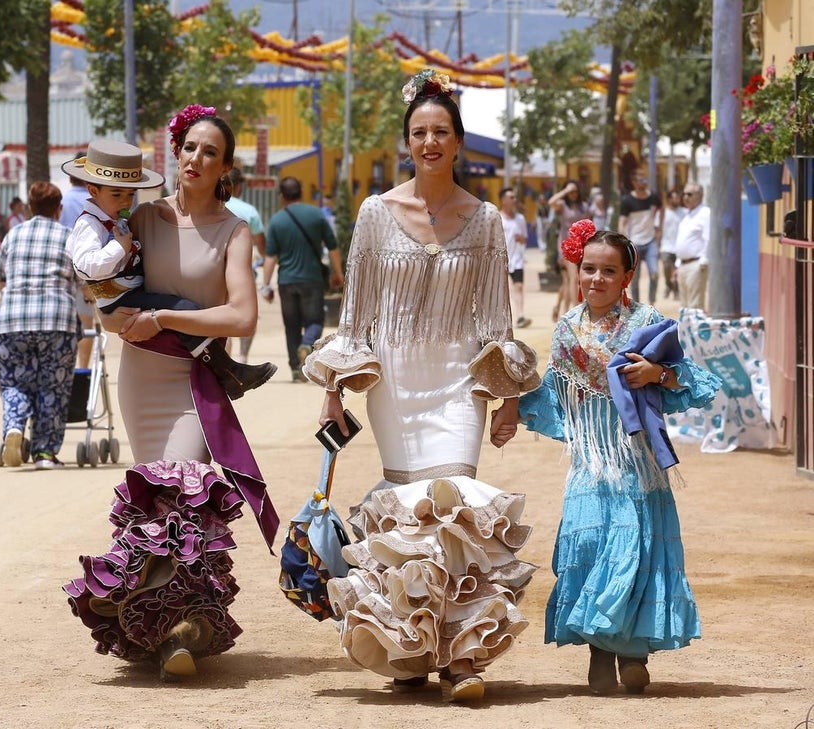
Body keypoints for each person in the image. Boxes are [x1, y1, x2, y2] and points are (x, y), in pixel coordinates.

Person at [303, 70, 538, 702]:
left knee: (455, 499)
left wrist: (506, 399)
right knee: (407, 511)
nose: (429, 142)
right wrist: (335, 390)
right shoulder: (375, 213)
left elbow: (496, 316)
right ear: (407, 141)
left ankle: (463, 654)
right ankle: (408, 651)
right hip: (395, 380)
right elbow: (356, 313)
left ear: (459, 142)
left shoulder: (486, 219)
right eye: (419, 133)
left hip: (458, 378)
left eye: (440, 132)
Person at [64, 104, 279, 682]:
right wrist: (119, 320)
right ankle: (166, 625)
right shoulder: (143, 216)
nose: (196, 159)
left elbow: (241, 315)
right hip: (140, 376)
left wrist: (161, 318)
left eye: (210, 152)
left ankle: (174, 629)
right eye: (189, 147)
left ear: (225, 166)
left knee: (182, 487)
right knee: (158, 504)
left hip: (191, 380)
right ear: (175, 153)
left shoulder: (236, 229)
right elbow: (105, 289)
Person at [517, 220, 721, 695]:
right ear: (578, 269)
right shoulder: (567, 329)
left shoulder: (648, 323)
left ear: (627, 276)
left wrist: (656, 374)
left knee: (639, 546)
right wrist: (509, 405)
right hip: (591, 461)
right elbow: (553, 392)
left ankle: (633, 652)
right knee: (590, 549)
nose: (597, 279)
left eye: (609, 270)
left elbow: (692, 381)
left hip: (639, 461)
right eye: (589, 268)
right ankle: (599, 653)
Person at [64, 140, 275, 400]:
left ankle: (227, 373)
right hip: (121, 298)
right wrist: (120, 247)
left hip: (126, 293)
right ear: (93, 190)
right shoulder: (90, 223)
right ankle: (229, 373)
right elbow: (86, 267)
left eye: (129, 194)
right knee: (183, 308)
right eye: (116, 195)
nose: (124, 201)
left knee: (180, 316)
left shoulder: (113, 219)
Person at [0, 181, 78, 470]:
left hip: (12, 322)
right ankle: (44, 454)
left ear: (30, 208)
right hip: (57, 321)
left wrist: (13, 295)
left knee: (15, 382)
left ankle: (14, 427)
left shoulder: (13, 234)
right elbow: (85, 281)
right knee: (52, 387)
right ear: (59, 209)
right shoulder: (69, 236)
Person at [262, 176, 344, 381]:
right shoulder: (316, 215)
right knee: (315, 320)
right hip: (312, 279)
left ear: (282, 196)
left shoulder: (276, 220)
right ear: (301, 193)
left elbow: (270, 256)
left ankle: (295, 370)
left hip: (286, 281)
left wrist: (265, 284)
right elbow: (332, 247)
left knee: (291, 325)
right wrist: (338, 274)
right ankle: (307, 344)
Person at [224, 167, 267, 364]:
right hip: (243, 272)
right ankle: (242, 356)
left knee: (219, 314)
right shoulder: (249, 210)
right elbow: (261, 243)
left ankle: (224, 357)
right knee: (246, 313)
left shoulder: (212, 207)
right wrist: (266, 259)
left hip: (216, 271)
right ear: (238, 185)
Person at [60, 151, 97, 370]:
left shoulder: (62, 200)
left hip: (62, 271)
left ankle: (67, 367)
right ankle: (82, 370)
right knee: (86, 324)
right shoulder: (93, 202)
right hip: (86, 273)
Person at [549, 180, 590, 322]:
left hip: (582, 247)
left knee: (567, 282)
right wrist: (565, 190)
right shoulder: (562, 205)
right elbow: (550, 202)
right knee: (574, 278)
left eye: (575, 191)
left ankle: (559, 306)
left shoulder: (584, 206)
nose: (573, 194)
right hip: (566, 246)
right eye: (570, 192)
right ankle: (576, 310)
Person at [618, 174, 662, 304]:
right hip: (634, 243)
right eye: (640, 180)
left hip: (650, 241)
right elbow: (622, 221)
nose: (643, 182)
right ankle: (636, 305)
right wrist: (623, 240)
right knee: (634, 278)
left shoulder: (653, 197)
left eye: (645, 179)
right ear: (634, 182)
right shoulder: (627, 200)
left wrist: (659, 227)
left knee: (655, 274)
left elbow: (662, 208)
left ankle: (651, 302)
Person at [499, 186, 531, 328]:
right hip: (501, 260)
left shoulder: (520, 219)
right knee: (503, 290)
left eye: (514, 197)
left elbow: (525, 239)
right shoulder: (498, 218)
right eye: (511, 197)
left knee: (518, 286)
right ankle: (503, 319)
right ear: (503, 200)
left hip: (517, 260)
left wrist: (521, 239)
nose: (514, 200)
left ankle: (520, 316)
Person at [675, 184, 709, 311]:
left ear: (700, 196)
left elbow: (708, 238)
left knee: (695, 307)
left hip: (696, 265)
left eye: (690, 194)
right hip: (683, 266)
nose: (685, 197)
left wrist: (703, 261)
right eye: (684, 194)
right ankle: (684, 331)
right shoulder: (687, 215)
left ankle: (695, 332)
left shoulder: (705, 213)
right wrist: (678, 263)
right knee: (684, 307)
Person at [659, 190, 683, 299]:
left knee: (677, 269)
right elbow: (657, 229)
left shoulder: (684, 212)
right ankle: (668, 285)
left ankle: (676, 290)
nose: (677, 200)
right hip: (666, 246)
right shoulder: (663, 213)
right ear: (669, 199)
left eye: (678, 198)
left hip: (679, 246)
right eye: (674, 198)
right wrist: (657, 244)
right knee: (667, 267)